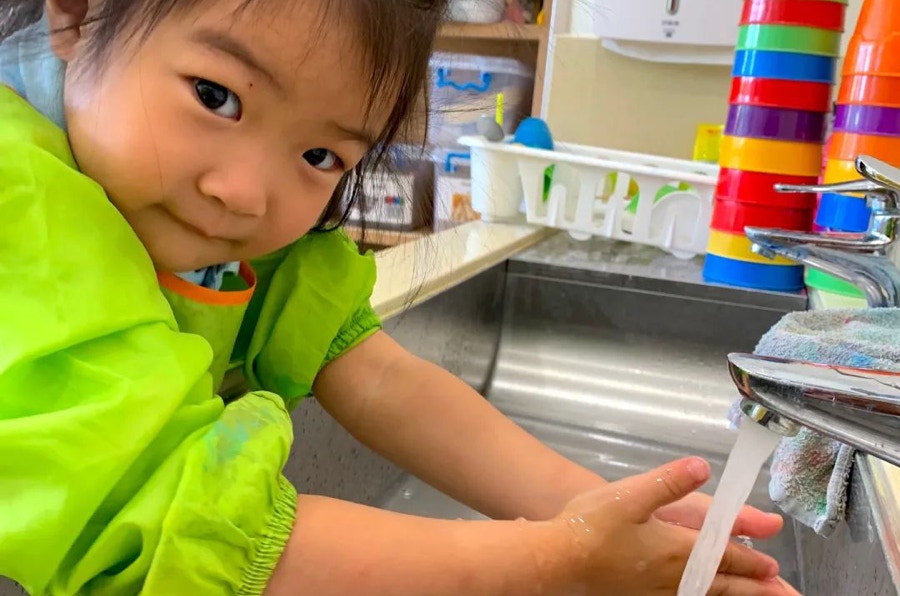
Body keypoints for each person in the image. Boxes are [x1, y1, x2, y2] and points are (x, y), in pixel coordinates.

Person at [0, 1, 800, 594]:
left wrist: (594, 506)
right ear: (76, 14)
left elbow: (378, 375)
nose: (247, 194)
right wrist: (558, 561)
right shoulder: (21, 201)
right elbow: (162, 525)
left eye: (319, 154)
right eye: (216, 96)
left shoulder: (202, 212)